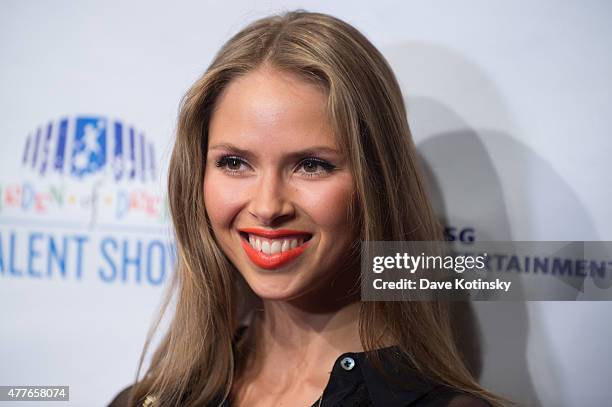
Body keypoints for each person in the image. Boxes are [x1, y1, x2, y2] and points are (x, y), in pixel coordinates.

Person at [109, 10, 507, 407]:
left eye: (312, 165)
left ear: (378, 183)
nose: (267, 207)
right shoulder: (146, 400)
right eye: (234, 163)